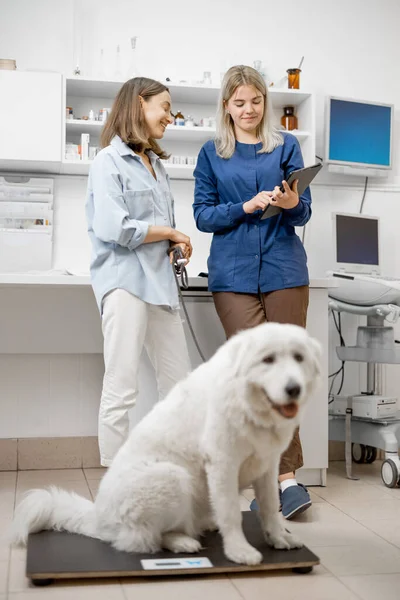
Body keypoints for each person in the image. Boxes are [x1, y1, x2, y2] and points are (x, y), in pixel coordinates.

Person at [193, 65, 312, 520]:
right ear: (227, 105)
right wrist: (244, 207)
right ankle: (263, 476)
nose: (248, 110)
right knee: (255, 374)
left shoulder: (286, 146)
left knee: (285, 375)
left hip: (284, 270)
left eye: (256, 101)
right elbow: (203, 215)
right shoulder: (211, 153)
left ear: (265, 102)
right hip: (233, 276)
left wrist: (290, 203)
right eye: (239, 102)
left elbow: (302, 212)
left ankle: (285, 481)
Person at [86, 77, 192, 467]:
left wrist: (174, 242)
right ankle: (116, 486)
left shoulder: (158, 167)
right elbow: (114, 228)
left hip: (161, 285)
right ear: (138, 106)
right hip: (125, 283)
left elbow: (161, 226)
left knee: (180, 387)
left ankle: (177, 477)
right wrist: (169, 232)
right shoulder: (107, 162)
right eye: (164, 106)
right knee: (122, 387)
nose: (170, 115)